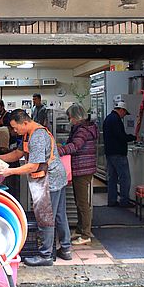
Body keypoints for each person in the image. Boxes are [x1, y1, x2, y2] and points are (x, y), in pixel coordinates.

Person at [0, 109, 70, 267]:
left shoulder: (37, 136)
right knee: (59, 215)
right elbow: (17, 154)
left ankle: (46, 255)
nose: (14, 131)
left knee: (45, 217)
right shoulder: (28, 134)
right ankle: (66, 248)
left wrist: (9, 171)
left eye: (16, 127)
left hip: (49, 179)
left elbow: (34, 166)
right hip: (56, 176)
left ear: (25, 123)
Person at [58, 104, 98, 245]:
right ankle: (81, 229)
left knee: (82, 203)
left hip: (82, 169)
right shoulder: (86, 128)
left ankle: (86, 234)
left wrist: (57, 152)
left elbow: (75, 146)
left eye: (70, 118)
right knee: (79, 201)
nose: (70, 120)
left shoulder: (82, 130)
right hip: (84, 168)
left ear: (75, 117)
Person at [103, 102, 136, 208]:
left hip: (109, 153)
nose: (123, 116)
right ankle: (124, 201)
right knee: (125, 178)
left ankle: (112, 200)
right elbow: (120, 136)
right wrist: (133, 137)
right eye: (124, 114)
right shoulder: (116, 120)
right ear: (122, 110)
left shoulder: (108, 118)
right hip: (118, 153)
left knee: (112, 178)